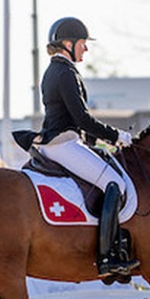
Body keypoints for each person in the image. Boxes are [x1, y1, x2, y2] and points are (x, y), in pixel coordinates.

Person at [13, 17, 138, 279]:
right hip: (64, 143)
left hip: (64, 141)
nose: (86, 49)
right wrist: (116, 136)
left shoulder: (55, 70)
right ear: (68, 44)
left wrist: (95, 144)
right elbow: (81, 118)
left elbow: (74, 119)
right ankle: (108, 258)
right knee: (115, 183)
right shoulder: (65, 72)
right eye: (82, 44)